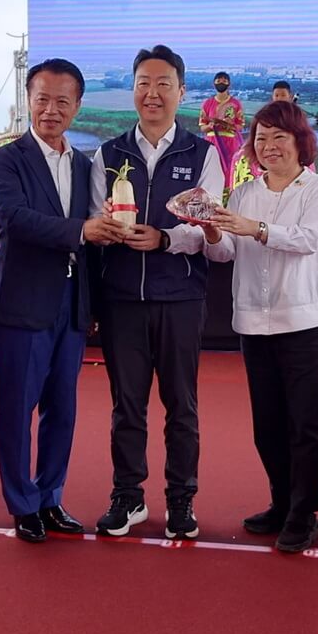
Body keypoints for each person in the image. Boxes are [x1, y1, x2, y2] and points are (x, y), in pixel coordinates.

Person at [0, 58, 126, 543]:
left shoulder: (86, 165)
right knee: (16, 410)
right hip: (22, 303)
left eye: (62, 101)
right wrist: (82, 230)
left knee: (62, 410)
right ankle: (22, 503)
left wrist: (95, 298)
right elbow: (13, 218)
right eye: (42, 99)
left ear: (78, 106)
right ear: (28, 100)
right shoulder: (7, 159)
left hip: (71, 305)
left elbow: (94, 240)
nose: (51, 110)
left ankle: (50, 497)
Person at [90, 44, 224, 539]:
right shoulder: (108, 154)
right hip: (122, 299)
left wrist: (166, 239)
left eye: (163, 83)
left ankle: (181, 500)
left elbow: (208, 226)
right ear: (133, 90)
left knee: (181, 406)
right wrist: (106, 227)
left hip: (180, 298)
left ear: (181, 92)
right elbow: (92, 223)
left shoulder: (202, 154)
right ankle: (128, 496)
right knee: (126, 406)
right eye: (144, 83)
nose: (153, 93)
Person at [200, 100, 318, 553]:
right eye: (260, 138)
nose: (269, 146)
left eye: (279, 137)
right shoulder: (244, 192)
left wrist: (254, 228)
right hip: (254, 322)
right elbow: (225, 253)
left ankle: (305, 514)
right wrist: (210, 230)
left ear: (300, 142)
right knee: (268, 426)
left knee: (306, 425)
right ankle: (281, 503)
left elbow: (308, 240)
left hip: (308, 321)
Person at [198, 71, 245, 190]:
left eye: (224, 81)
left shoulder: (236, 104)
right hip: (212, 141)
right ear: (213, 83)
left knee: (229, 169)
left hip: (230, 142)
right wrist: (210, 126)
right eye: (218, 81)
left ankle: (228, 194)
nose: (221, 83)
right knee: (211, 168)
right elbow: (202, 126)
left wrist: (230, 125)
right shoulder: (207, 103)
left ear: (229, 84)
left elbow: (240, 126)